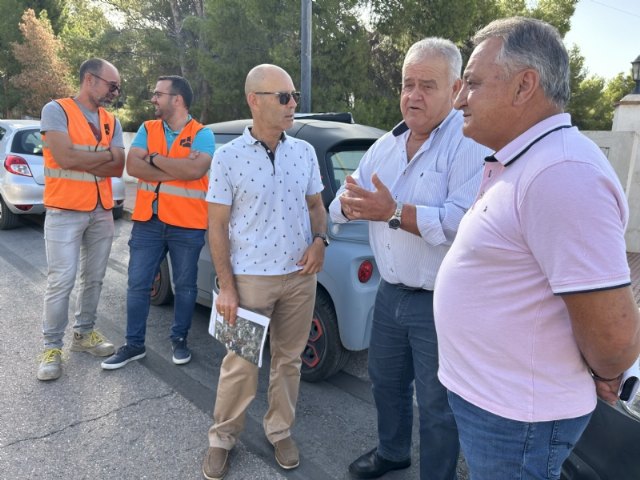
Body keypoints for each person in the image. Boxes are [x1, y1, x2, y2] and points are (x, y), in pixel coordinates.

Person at [433, 17, 640, 480]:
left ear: (524, 85)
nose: (460, 98)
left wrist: (606, 367)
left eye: (473, 83)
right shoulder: (530, 162)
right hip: (500, 409)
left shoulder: (561, 173)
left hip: (517, 421)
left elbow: (614, 342)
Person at [329, 38, 489, 480]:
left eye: (427, 86)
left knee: (439, 402)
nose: (413, 95)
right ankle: (393, 452)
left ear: (457, 89)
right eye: (407, 84)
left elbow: (464, 224)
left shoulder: (469, 143)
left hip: (442, 302)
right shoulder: (385, 145)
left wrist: (392, 211)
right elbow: (341, 204)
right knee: (385, 383)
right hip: (390, 292)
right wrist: (349, 206)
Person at [201, 64, 326, 480]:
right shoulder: (228, 157)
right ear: (254, 101)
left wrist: (320, 241)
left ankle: (279, 429)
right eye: (284, 97)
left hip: (299, 278)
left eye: (294, 97)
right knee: (240, 362)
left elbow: (316, 208)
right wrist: (228, 287)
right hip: (250, 279)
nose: (293, 104)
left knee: (289, 361)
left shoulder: (304, 152)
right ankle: (221, 438)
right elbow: (216, 225)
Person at [101, 75, 214, 370]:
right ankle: (134, 345)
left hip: (188, 223)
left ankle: (179, 340)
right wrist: (177, 167)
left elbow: (196, 169)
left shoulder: (202, 133)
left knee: (185, 287)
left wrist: (153, 159)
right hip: (148, 221)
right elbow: (133, 165)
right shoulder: (147, 128)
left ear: (177, 99)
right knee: (138, 285)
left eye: (158, 94)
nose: (153, 98)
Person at [37, 58, 125, 381]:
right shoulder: (56, 110)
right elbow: (65, 157)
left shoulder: (111, 121)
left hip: (101, 210)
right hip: (64, 210)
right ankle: (51, 348)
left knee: (96, 277)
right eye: (111, 85)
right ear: (90, 80)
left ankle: (83, 334)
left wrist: (88, 159)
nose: (115, 91)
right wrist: (103, 157)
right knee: (62, 281)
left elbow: (119, 166)